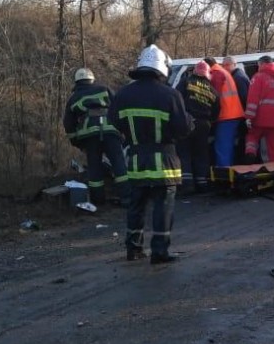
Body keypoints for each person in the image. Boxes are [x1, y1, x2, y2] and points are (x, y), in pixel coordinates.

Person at [109, 45, 193, 264]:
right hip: (164, 161)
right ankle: (159, 252)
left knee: (136, 206)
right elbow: (183, 128)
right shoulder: (170, 95)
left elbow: (114, 121)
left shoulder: (123, 94)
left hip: (136, 161)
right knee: (162, 207)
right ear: (162, 67)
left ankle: (133, 248)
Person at [62, 67, 129, 205]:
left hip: (90, 135)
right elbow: (119, 107)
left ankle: (98, 200)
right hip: (111, 131)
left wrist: (76, 141)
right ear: (92, 79)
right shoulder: (105, 89)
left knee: (94, 167)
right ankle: (127, 197)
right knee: (119, 164)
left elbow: (68, 123)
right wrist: (123, 131)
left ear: (77, 82)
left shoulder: (73, 98)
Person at [175, 61, 220, 194]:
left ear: (194, 71)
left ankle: (187, 184)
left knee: (184, 151)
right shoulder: (213, 90)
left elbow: (176, 100)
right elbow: (217, 111)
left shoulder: (185, 82)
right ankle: (202, 183)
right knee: (201, 153)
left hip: (188, 121)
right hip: (204, 124)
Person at [205, 56, 244, 167]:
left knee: (222, 147)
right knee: (227, 146)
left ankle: (223, 175)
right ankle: (228, 173)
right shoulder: (222, 72)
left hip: (226, 115)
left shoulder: (217, 74)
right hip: (232, 114)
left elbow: (213, 96)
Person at [222, 56, 251, 162]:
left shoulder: (238, 78)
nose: (225, 67)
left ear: (234, 65)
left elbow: (243, 99)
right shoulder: (237, 76)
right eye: (223, 65)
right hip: (240, 116)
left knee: (240, 143)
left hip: (240, 116)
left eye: (227, 65)